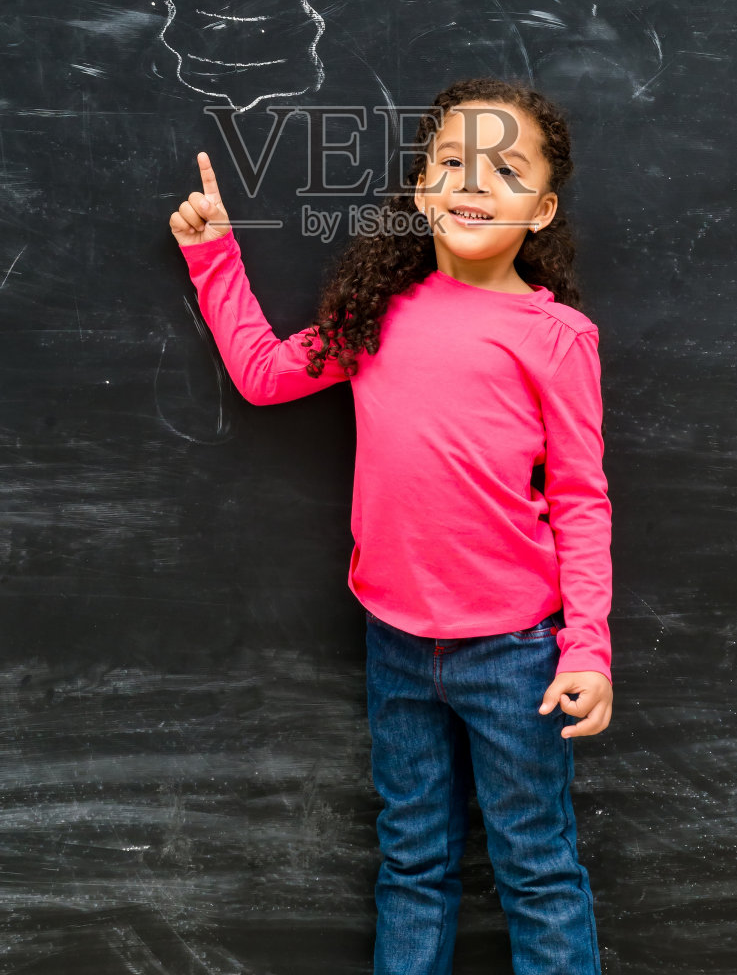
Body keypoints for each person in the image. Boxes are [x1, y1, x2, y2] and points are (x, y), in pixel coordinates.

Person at [170, 76, 611, 975]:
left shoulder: (555, 336)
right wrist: (216, 254)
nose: (473, 181)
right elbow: (263, 374)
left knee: (536, 867)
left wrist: (588, 649)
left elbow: (580, 496)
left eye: (505, 168)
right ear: (420, 192)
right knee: (412, 863)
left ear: (543, 208)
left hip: (517, 655)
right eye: (452, 162)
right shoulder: (376, 317)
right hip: (396, 644)